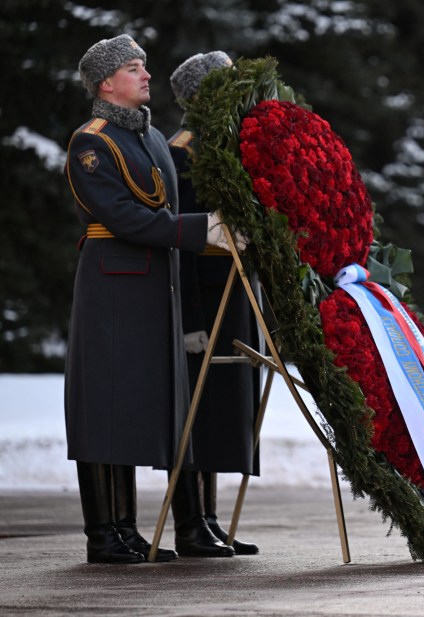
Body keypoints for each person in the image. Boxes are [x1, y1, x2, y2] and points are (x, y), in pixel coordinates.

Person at [64, 34, 240, 564]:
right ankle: (105, 534)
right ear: (105, 83)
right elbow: (124, 217)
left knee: (142, 406)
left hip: (150, 284)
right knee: (106, 407)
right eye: (134, 68)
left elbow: (156, 213)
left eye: (143, 66)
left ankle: (130, 531)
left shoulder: (154, 139)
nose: (145, 75)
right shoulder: (90, 142)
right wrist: (201, 230)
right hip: (113, 283)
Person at [166, 51, 260, 557]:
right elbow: (179, 237)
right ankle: (189, 524)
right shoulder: (182, 151)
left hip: (235, 290)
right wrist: (191, 319)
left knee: (225, 408)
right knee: (196, 411)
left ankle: (210, 519)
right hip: (204, 292)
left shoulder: (227, 145)